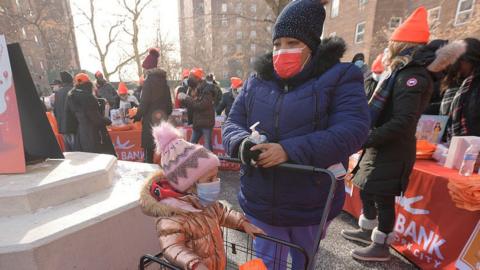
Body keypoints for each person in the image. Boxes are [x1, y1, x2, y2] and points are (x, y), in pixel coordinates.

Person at [222, 0, 371, 268]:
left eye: (292, 43)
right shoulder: (257, 80)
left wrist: (289, 150)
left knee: (304, 262)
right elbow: (232, 122)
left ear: (312, 45)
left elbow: (353, 130)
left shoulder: (341, 76)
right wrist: (241, 144)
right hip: (261, 201)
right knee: (266, 265)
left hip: (310, 203)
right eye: (277, 44)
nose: (282, 51)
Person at [343, 7, 463, 261]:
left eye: (392, 43)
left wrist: (368, 137)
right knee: (367, 189)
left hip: (393, 148)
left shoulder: (413, 76)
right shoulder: (401, 71)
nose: (388, 47)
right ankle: (368, 230)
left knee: (384, 198)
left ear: (401, 44)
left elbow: (403, 121)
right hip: (382, 144)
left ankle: (381, 245)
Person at [139, 122, 264, 270]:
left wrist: (242, 223)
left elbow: (223, 213)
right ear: (189, 185)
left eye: (216, 177)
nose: (216, 182)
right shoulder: (171, 216)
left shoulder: (205, 202)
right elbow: (172, 247)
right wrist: (194, 263)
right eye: (210, 179)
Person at [133, 48, 173, 163]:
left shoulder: (148, 83)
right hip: (162, 123)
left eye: (144, 69)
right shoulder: (165, 83)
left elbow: (143, 103)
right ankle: (164, 176)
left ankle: (151, 179)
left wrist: (137, 116)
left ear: (148, 69)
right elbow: (170, 107)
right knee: (164, 152)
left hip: (149, 123)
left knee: (149, 154)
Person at [440, 38, 480, 142]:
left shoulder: (474, 85)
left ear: (468, 60)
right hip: (455, 145)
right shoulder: (457, 82)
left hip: (473, 146)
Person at [66, 73, 116, 156]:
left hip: (81, 132)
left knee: (86, 158)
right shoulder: (88, 97)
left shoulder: (71, 96)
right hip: (94, 134)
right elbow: (95, 119)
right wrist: (107, 120)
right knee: (99, 157)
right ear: (88, 84)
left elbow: (71, 116)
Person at [178, 68, 216, 151]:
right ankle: (191, 161)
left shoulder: (207, 90)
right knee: (191, 146)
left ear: (198, 78)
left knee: (207, 147)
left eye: (191, 77)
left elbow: (201, 106)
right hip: (197, 122)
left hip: (206, 123)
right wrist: (183, 99)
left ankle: (211, 163)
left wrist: (187, 98)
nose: (189, 79)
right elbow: (190, 105)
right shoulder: (192, 88)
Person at [53, 71, 76, 151]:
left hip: (63, 127)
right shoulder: (73, 91)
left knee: (69, 151)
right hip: (73, 126)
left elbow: (55, 111)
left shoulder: (58, 93)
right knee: (77, 151)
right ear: (71, 80)